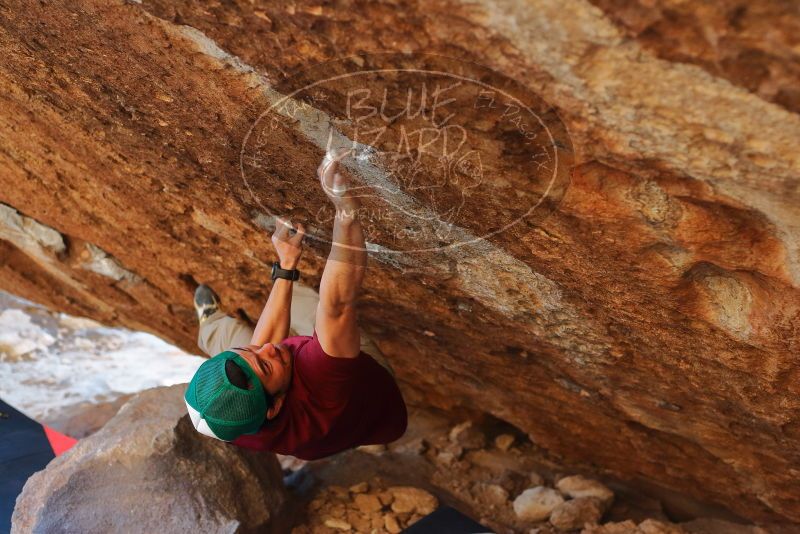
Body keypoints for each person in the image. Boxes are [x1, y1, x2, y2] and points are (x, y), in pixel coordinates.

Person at [183, 149, 407, 460]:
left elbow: (261, 349)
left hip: (336, 428)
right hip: (372, 395)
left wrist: (286, 267)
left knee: (227, 339)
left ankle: (210, 327)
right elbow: (338, 304)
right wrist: (345, 208)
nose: (269, 349)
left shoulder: (236, 423)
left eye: (248, 354)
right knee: (311, 303)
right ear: (274, 407)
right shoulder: (320, 376)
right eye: (264, 365)